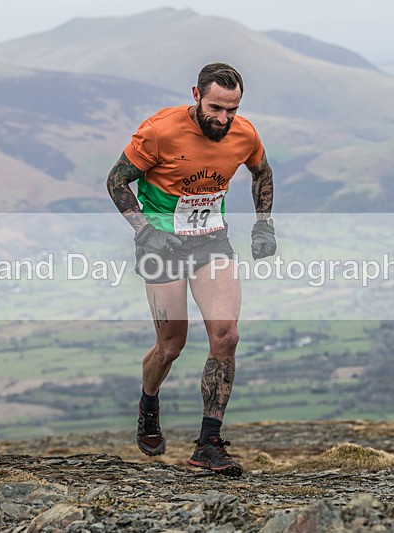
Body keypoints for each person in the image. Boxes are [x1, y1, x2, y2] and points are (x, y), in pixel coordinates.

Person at [106, 62, 276, 477]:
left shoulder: (245, 134)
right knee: (170, 346)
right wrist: (144, 231)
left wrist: (263, 225)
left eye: (232, 110)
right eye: (216, 108)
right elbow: (116, 182)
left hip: (211, 239)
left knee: (226, 334)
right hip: (161, 243)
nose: (224, 119)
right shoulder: (160, 131)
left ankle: (208, 443)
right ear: (196, 95)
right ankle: (148, 402)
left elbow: (261, 173)